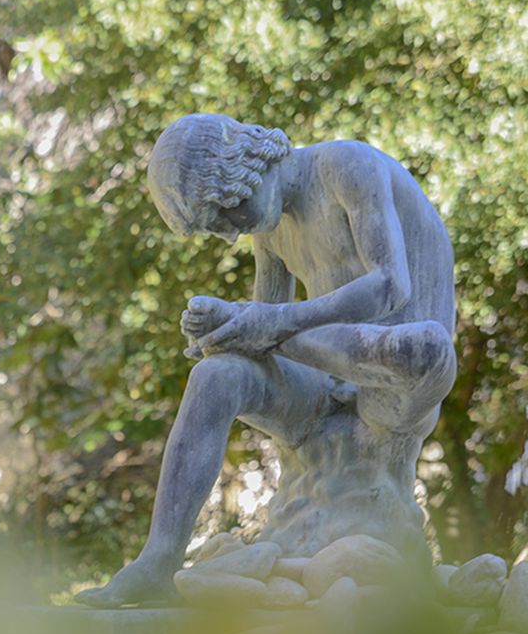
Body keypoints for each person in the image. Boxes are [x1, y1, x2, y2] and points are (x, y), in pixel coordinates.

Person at [75, 113, 457, 608]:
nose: (230, 232)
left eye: (227, 211)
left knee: (428, 348)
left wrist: (256, 323)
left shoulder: (347, 165)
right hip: (324, 380)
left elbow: (390, 287)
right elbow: (265, 335)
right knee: (216, 375)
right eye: (217, 227)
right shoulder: (269, 228)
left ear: (247, 165)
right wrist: (222, 333)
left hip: (392, 380)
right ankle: (159, 560)